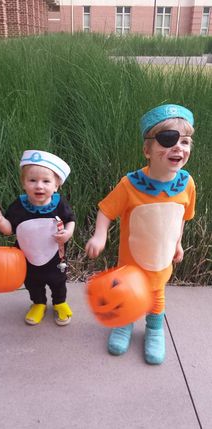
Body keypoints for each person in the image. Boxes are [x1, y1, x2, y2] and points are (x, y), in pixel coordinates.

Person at [85, 104, 196, 364]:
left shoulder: (187, 184)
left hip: (161, 257)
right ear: (147, 150)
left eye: (186, 141)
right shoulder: (130, 184)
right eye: (168, 140)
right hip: (131, 261)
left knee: (156, 292)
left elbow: (181, 218)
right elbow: (106, 210)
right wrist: (99, 236)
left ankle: (155, 329)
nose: (178, 147)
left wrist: (177, 244)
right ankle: (124, 322)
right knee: (128, 292)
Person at [0, 150, 75, 326]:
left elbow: (70, 221)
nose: (39, 186)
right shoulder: (19, 206)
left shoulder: (59, 204)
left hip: (54, 257)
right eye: (32, 180)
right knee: (32, 282)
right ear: (24, 183)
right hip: (27, 256)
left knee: (58, 281)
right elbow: (9, 230)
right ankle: (38, 303)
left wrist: (67, 233)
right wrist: (0, 220)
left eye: (46, 181)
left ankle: (59, 302)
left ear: (56, 185)